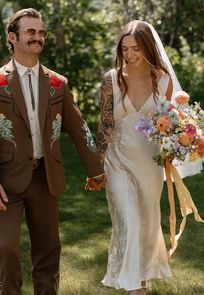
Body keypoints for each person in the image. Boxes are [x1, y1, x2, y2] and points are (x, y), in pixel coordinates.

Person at [0, 8, 105, 295]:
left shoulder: (58, 84)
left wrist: (97, 171)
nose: (37, 37)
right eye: (30, 32)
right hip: (5, 181)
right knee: (7, 247)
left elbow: (80, 130)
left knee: (48, 249)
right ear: (13, 37)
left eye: (41, 32)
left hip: (46, 178)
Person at [96, 20, 201, 295]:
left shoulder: (163, 79)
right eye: (125, 48)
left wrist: (180, 139)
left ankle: (138, 277)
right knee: (128, 219)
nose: (129, 55)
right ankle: (135, 289)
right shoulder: (111, 79)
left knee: (146, 222)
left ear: (148, 48)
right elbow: (105, 125)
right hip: (117, 160)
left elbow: (169, 119)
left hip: (149, 163)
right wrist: (95, 165)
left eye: (136, 49)